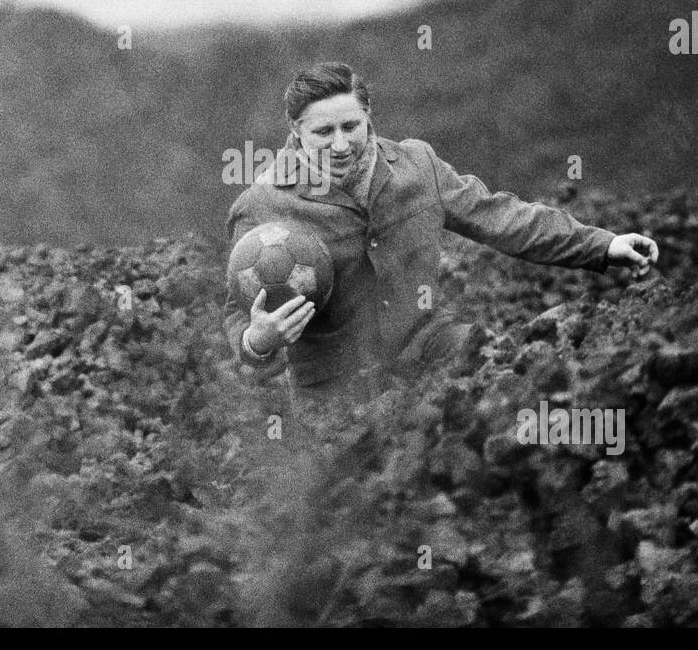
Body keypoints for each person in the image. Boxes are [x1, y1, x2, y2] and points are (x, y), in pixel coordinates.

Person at [223, 61, 659, 404]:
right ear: (296, 132)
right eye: (323, 132)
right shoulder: (263, 205)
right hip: (334, 388)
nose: (341, 144)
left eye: (350, 126)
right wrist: (258, 341)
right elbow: (237, 312)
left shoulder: (418, 166)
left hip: (432, 346)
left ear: (369, 119)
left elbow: (503, 218)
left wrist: (603, 245)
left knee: (509, 388)